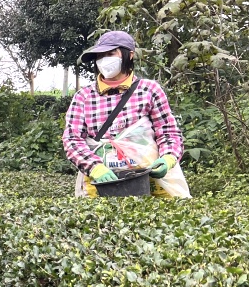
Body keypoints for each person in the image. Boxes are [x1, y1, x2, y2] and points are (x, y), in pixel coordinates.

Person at [63, 30, 186, 197]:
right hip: (100, 183)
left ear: (130, 55)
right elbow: (72, 139)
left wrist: (168, 158)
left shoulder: (149, 90)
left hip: (148, 178)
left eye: (110, 54)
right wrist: (94, 167)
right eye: (100, 56)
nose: (104, 60)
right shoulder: (84, 96)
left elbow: (168, 131)